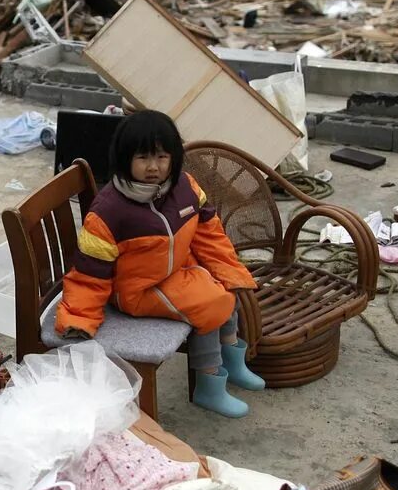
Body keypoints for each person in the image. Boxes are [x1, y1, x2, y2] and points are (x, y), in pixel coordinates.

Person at [57, 111, 263, 417]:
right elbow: (89, 273)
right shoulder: (108, 211)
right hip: (137, 291)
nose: (154, 167)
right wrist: (78, 319)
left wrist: (230, 270)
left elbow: (209, 233)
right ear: (124, 158)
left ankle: (233, 362)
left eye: (162, 157)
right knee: (211, 303)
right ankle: (209, 384)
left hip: (175, 271)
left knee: (226, 288)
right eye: (142, 158)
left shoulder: (185, 186)